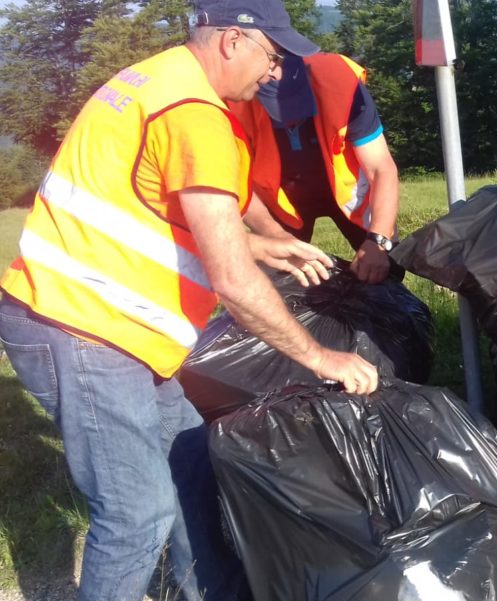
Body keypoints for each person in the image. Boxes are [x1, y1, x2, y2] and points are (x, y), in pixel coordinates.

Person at [0, 0, 379, 598]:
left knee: (193, 465)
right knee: (136, 514)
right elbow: (230, 280)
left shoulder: (161, 78)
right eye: (273, 56)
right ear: (233, 40)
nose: (276, 72)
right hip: (80, 325)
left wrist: (268, 241)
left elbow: (191, 199)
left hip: (124, 326)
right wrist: (320, 357)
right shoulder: (193, 112)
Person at [231, 52, 400, 284]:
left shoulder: (341, 83)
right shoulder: (233, 101)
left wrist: (378, 240)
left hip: (349, 191)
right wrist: (274, 235)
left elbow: (382, 168)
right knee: (276, 276)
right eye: (278, 112)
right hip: (282, 197)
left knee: (384, 266)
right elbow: (238, 185)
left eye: (295, 108)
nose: (289, 119)